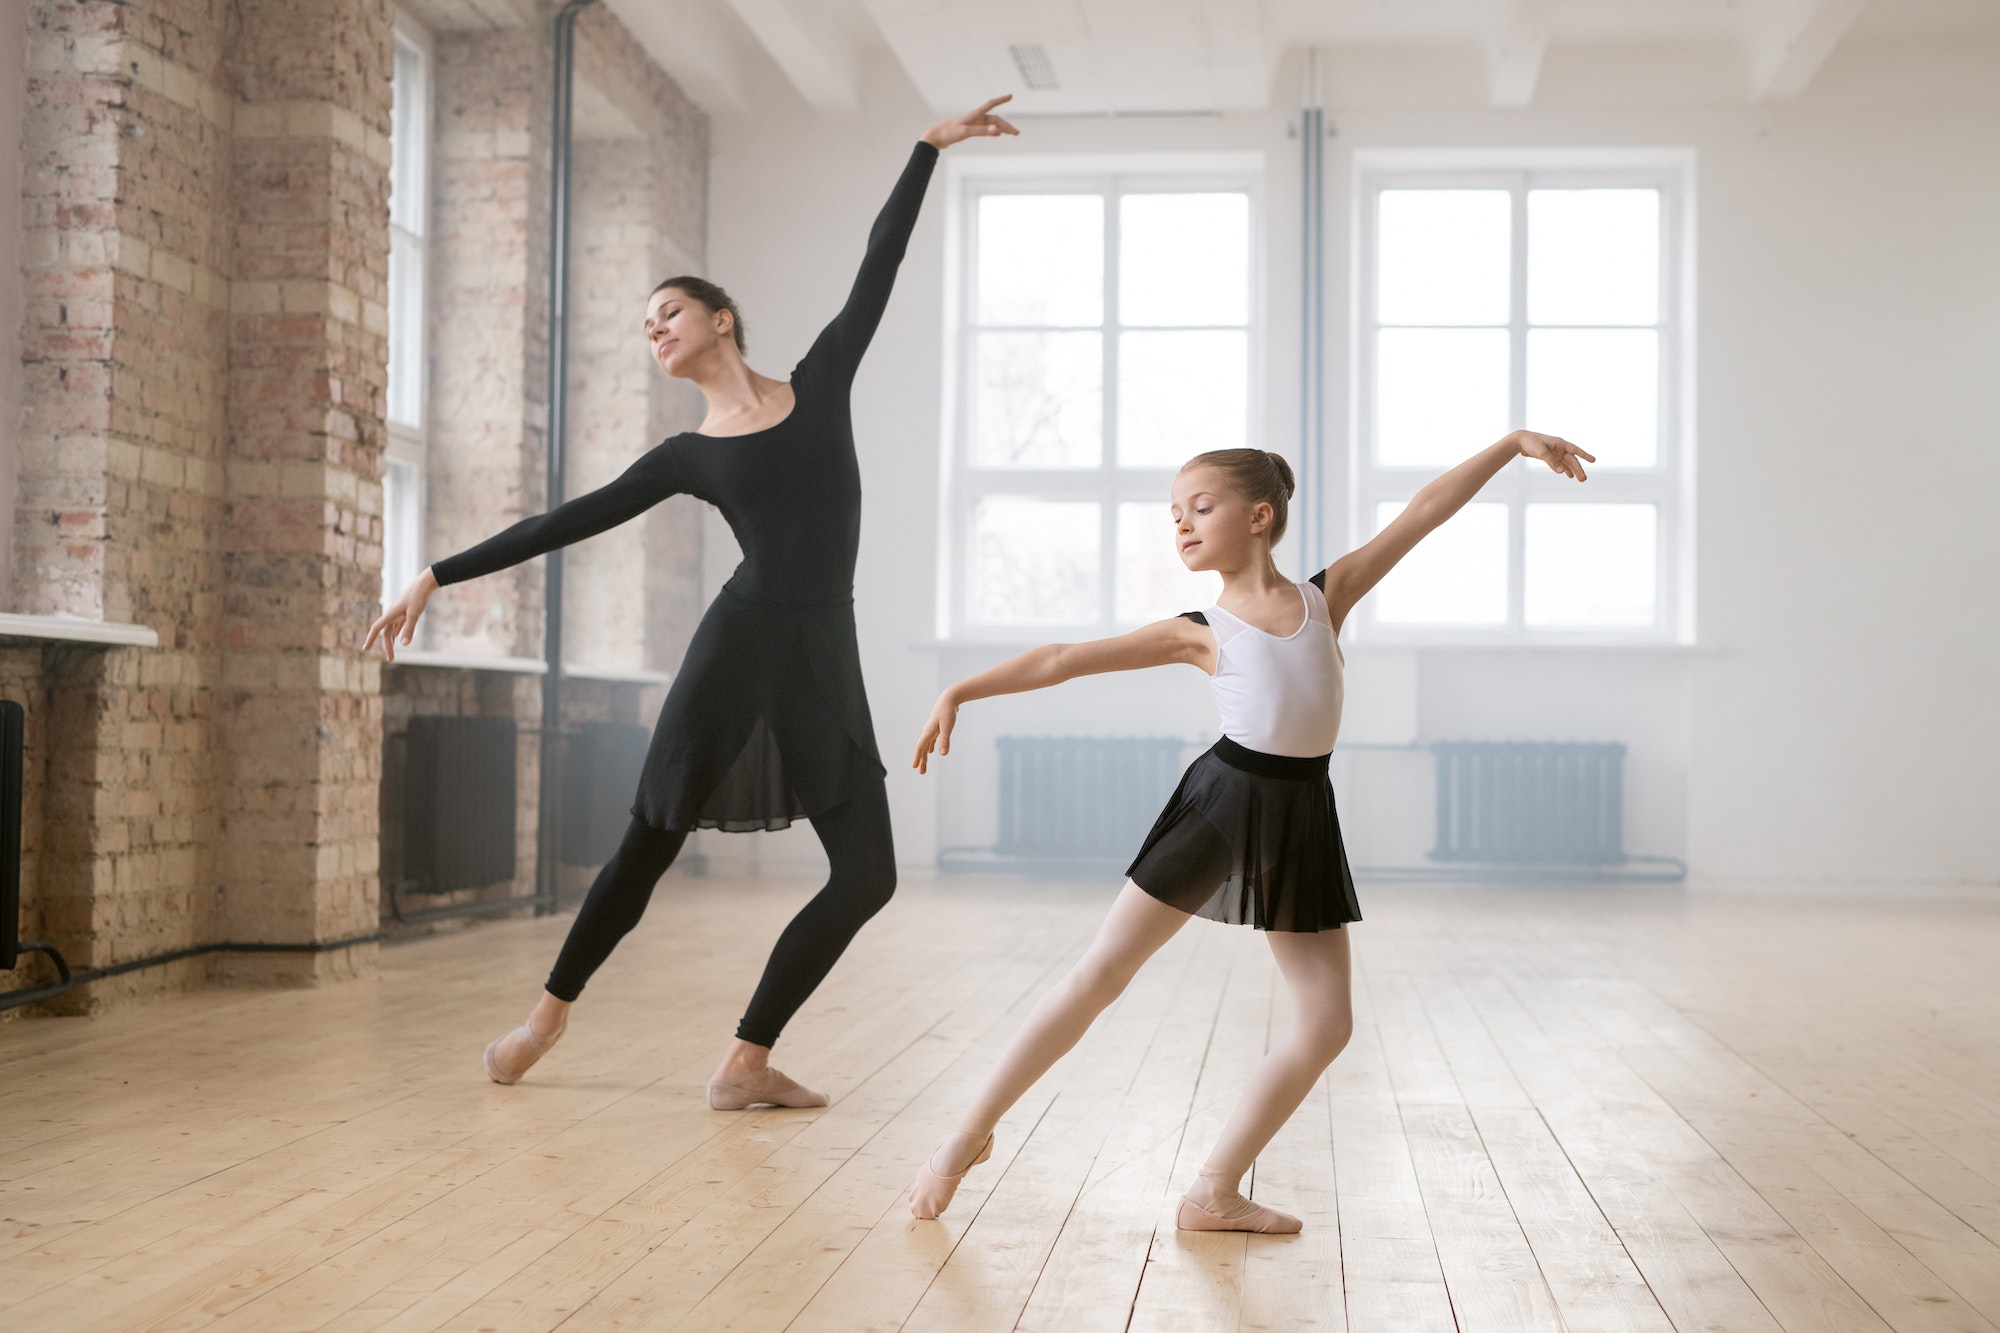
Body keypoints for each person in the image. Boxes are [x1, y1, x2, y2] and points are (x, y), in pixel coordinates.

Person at [364, 97, 1021, 1110]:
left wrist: (924, 150)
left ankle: (744, 1060)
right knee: (649, 841)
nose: (653, 331)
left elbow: (876, 267)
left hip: (822, 651)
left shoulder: (822, 380)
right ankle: (544, 1016)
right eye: (643, 327)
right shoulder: (686, 455)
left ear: (720, 318)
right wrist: (434, 574)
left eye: (666, 312)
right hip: (738, 645)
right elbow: (567, 520)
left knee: (868, 874)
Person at [906, 431, 1593, 1229]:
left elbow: (1422, 515)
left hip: (1301, 811)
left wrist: (1510, 446)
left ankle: (1214, 1190)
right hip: (1222, 803)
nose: (1183, 526)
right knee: (1099, 975)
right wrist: (962, 687)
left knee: (1327, 1021)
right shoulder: (1200, 629)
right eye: (1174, 515)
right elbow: (1064, 657)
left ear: (1260, 515)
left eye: (1201, 507)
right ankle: (965, 1137)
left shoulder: (1324, 598)